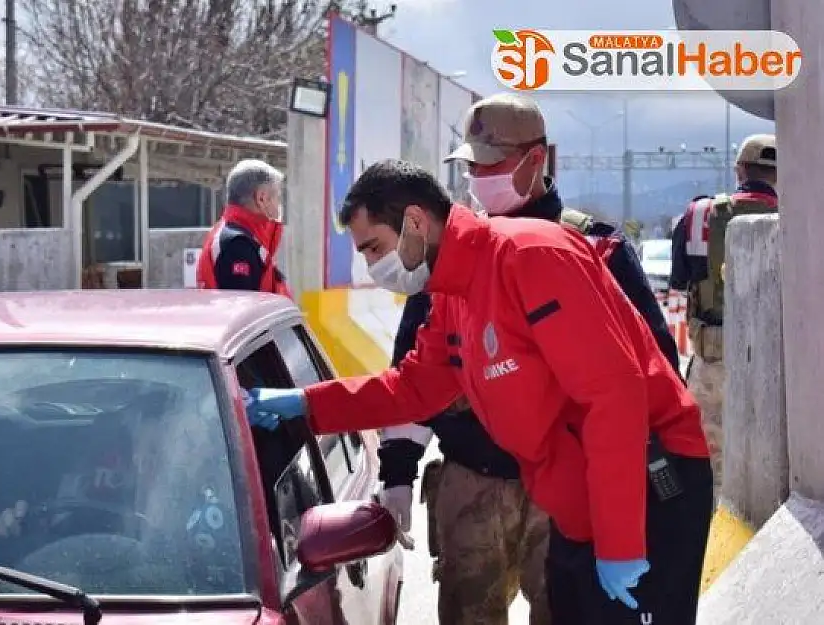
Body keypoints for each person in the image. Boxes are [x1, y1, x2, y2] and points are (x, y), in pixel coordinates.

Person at [243, 159, 714, 624]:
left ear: (415, 222)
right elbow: (413, 387)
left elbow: (615, 397)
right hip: (578, 504)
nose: (371, 268)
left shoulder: (531, 256)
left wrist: (621, 542)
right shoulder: (452, 293)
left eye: (373, 248)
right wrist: (306, 404)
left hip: (646, 486)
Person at [372, 93, 685, 625]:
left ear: (536, 160)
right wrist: (398, 470)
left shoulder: (597, 250)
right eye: (470, 165)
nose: (477, 177)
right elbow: (416, 373)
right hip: (472, 483)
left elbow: (656, 371)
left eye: (490, 164)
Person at [670, 133, 778, 495]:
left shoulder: (699, 214)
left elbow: (680, 280)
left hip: (714, 360)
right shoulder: (802, 215)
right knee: (772, 480)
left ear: (739, 170)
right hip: (779, 367)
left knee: (710, 480)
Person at [195, 159, 291, 297]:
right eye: (277, 196)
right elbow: (244, 310)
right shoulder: (237, 244)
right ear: (262, 198)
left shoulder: (240, 238)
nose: (279, 204)